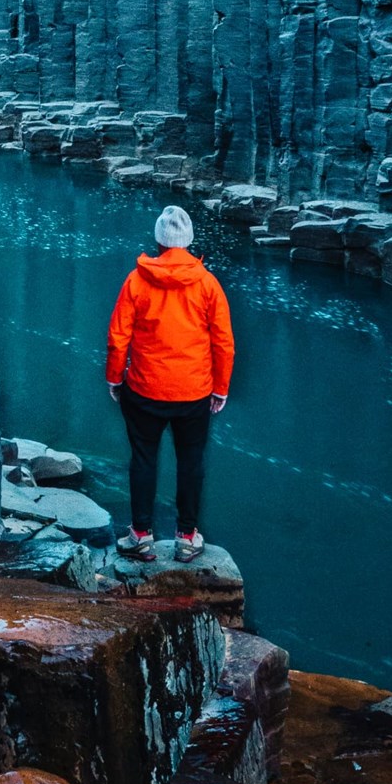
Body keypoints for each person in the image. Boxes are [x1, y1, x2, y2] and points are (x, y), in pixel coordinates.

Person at [106, 204, 234, 564]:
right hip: (194, 393)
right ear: (188, 240)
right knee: (191, 462)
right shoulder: (207, 283)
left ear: (159, 239)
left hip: (144, 389)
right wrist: (220, 387)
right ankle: (187, 537)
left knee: (143, 459)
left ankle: (141, 535)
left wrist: (116, 379)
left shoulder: (136, 280)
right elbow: (223, 341)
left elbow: (118, 338)